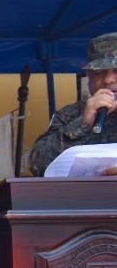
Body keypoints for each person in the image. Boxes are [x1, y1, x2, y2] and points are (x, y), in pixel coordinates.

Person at [27, 32, 117, 176]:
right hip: (84, 197)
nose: (107, 80)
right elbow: (37, 165)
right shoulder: (71, 114)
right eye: (98, 72)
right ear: (88, 75)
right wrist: (83, 123)